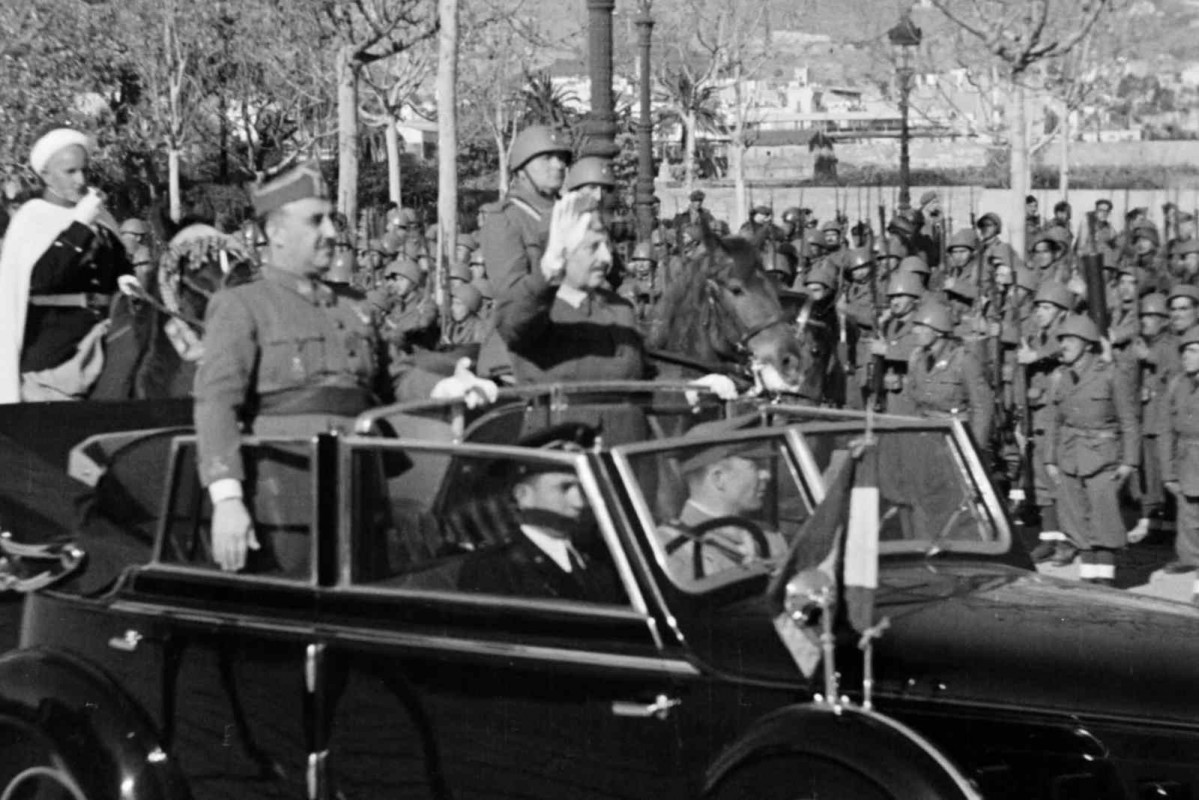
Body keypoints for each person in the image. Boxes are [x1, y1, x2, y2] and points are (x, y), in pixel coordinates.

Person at [194, 162, 489, 573]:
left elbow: (396, 374)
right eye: (315, 220)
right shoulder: (242, 306)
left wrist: (448, 389)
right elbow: (215, 405)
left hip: (361, 497)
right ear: (276, 232)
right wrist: (226, 500)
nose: (332, 233)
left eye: (331, 218)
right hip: (284, 505)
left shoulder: (354, 310)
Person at [0, 128, 131, 403]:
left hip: (106, 339)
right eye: (70, 172)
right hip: (56, 355)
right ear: (46, 175)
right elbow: (44, 278)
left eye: (84, 170)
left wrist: (127, 278)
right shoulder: (31, 217)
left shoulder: (100, 217)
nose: (81, 180)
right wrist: (78, 227)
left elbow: (118, 268)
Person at [457, 425, 623, 603]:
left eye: (583, 489)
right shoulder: (492, 568)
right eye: (564, 488)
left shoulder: (599, 556)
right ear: (523, 496)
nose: (579, 503)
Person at [1043, 314, 1139, 585]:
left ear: (1087, 343)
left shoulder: (1110, 373)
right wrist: (1049, 459)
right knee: (1075, 520)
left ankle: (1105, 580)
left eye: (1070, 339)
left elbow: (1129, 420)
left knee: (1104, 518)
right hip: (1069, 456)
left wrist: (1129, 462)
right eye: (1062, 339)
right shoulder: (1061, 377)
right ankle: (1088, 580)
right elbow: (1054, 421)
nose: (1064, 345)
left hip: (1102, 456)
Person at [477, 125, 572, 379]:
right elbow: (512, 298)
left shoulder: (575, 212)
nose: (558, 164)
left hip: (577, 339)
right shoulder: (506, 219)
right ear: (521, 168)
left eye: (562, 158)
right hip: (520, 352)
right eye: (547, 158)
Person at [654, 419, 786, 582]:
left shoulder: (769, 535)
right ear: (719, 478)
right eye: (755, 466)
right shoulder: (670, 547)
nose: (766, 475)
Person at [906, 302, 994, 446]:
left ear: (939, 332)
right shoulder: (917, 358)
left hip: (953, 439)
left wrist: (975, 449)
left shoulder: (964, 360)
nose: (915, 330)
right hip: (923, 438)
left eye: (922, 327)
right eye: (916, 326)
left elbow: (982, 408)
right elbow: (911, 401)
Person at [1160, 328, 1199, 592]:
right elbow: (1166, 431)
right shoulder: (1177, 384)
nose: (1186, 355)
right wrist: (1168, 472)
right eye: (1184, 349)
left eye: (1194, 350)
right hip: (1187, 463)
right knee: (1190, 523)